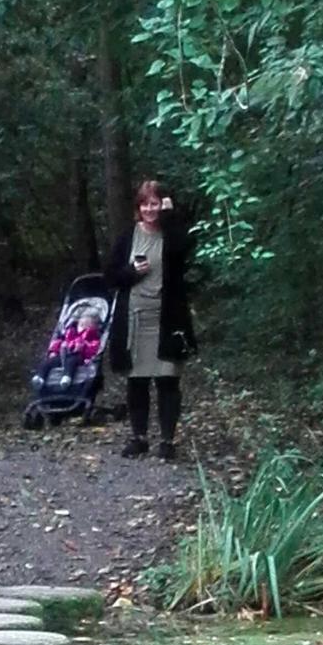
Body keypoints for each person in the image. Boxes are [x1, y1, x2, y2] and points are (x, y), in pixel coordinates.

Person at [106, 181, 197, 461]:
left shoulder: (171, 235)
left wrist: (170, 217)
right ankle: (139, 437)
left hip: (167, 319)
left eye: (155, 203)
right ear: (138, 207)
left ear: (163, 205)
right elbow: (110, 277)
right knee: (137, 380)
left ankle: (168, 441)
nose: (149, 209)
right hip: (134, 317)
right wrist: (132, 272)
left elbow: (185, 250)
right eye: (145, 204)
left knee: (168, 380)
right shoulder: (127, 237)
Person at [37, 304, 104, 389]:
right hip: (62, 356)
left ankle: (67, 377)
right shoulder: (70, 333)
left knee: (71, 362)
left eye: (87, 325)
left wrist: (82, 347)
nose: (83, 327)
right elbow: (59, 342)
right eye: (81, 324)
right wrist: (53, 351)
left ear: (94, 327)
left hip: (79, 358)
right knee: (48, 362)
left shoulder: (93, 339)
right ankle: (40, 377)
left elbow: (93, 350)